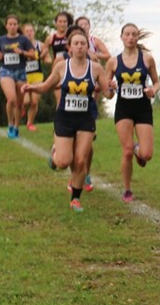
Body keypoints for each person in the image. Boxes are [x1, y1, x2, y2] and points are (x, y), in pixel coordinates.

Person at [24, 28, 110, 212]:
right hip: (65, 118)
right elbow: (46, 86)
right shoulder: (62, 67)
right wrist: (31, 88)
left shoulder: (95, 68)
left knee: (80, 161)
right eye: (76, 43)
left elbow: (108, 93)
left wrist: (112, 89)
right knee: (63, 162)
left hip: (85, 119)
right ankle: (55, 154)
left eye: (83, 43)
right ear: (69, 47)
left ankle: (75, 199)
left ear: (87, 47)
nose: (80, 47)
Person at [108, 23, 160, 203]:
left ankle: (139, 150)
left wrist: (153, 91)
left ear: (137, 37)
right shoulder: (113, 62)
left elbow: (157, 82)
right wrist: (110, 87)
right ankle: (127, 189)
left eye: (134, 34)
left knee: (146, 155)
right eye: (127, 34)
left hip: (143, 108)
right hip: (123, 108)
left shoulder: (147, 59)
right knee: (127, 151)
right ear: (121, 37)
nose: (130, 37)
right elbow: (107, 93)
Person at [0, 14, 34, 138]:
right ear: (6, 26)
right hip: (6, 70)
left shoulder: (23, 40)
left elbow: (33, 54)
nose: (12, 26)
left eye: (15, 24)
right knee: (11, 99)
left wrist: (22, 52)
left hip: (20, 71)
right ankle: (10, 124)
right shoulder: (1, 39)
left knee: (19, 104)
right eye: (10, 24)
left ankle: (16, 126)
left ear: (18, 26)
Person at [21, 22, 45, 131]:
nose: (29, 33)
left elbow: (47, 57)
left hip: (37, 75)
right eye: (27, 31)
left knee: (34, 101)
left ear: (34, 32)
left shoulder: (40, 45)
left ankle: (30, 123)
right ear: (23, 33)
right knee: (26, 101)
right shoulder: (20, 46)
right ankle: (22, 107)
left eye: (31, 31)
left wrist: (45, 58)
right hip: (24, 76)